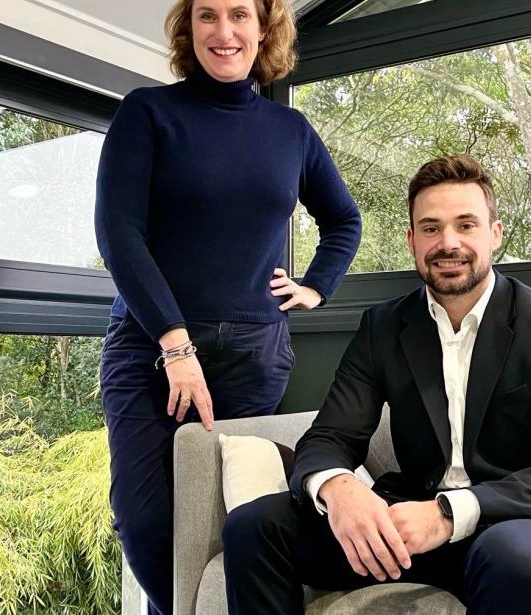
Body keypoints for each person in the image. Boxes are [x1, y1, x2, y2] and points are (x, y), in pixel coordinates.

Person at [222, 154, 531, 615]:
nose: (449, 243)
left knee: (512, 559)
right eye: (431, 228)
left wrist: (447, 514)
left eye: (466, 225)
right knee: (253, 526)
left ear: (495, 235)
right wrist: (338, 489)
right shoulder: (383, 327)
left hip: (519, 523)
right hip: (406, 525)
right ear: (411, 240)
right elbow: (330, 436)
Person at [93, 0, 361, 612]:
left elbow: (343, 219)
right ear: (189, 28)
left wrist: (316, 285)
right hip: (149, 350)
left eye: (240, 14)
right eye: (207, 15)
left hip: (253, 354)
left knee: (233, 521)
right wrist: (174, 343)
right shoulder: (147, 113)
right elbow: (118, 236)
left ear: (264, 28)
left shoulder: (290, 132)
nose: (224, 32)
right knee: (145, 520)